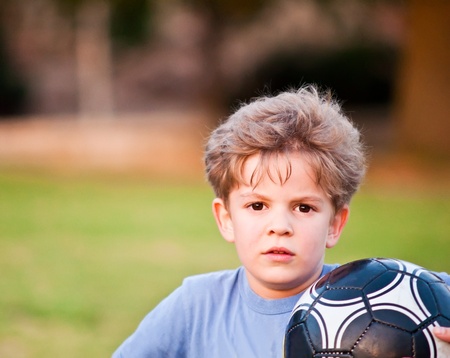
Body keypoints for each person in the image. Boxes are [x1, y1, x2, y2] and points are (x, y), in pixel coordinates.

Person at [112, 85, 450, 357]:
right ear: (226, 218)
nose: (280, 226)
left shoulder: (393, 296)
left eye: (303, 208)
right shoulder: (196, 307)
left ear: (335, 223)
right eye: (258, 205)